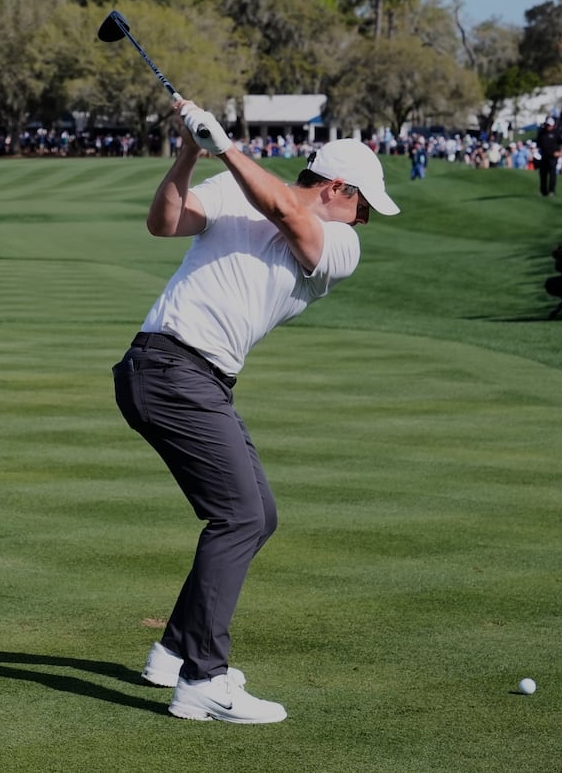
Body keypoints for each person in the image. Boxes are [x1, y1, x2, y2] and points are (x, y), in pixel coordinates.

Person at [111, 100, 399, 725]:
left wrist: (224, 148)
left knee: (257, 516)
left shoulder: (340, 246)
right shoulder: (238, 188)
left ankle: (174, 650)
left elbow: (286, 210)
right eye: (365, 203)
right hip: (167, 368)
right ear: (337, 187)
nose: (367, 218)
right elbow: (164, 223)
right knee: (238, 517)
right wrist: (190, 151)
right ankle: (203, 681)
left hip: (195, 378)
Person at [536, 119, 562, 197]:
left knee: (552, 174)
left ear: (553, 125)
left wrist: (560, 152)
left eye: (549, 125)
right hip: (544, 156)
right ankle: (543, 191)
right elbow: (538, 144)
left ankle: (551, 191)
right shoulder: (541, 132)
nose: (548, 126)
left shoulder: (557, 133)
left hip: (553, 157)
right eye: (547, 125)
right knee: (543, 174)